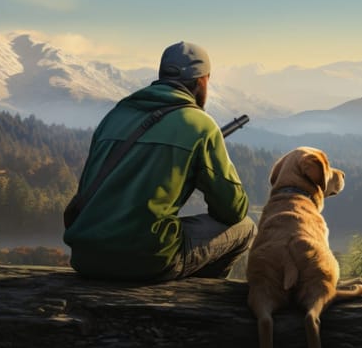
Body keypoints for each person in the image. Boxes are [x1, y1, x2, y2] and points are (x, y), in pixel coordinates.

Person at [63, 41, 254, 281]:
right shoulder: (199, 124)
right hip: (147, 260)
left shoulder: (115, 115)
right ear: (202, 81)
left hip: (85, 257)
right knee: (245, 228)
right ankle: (200, 300)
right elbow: (232, 210)